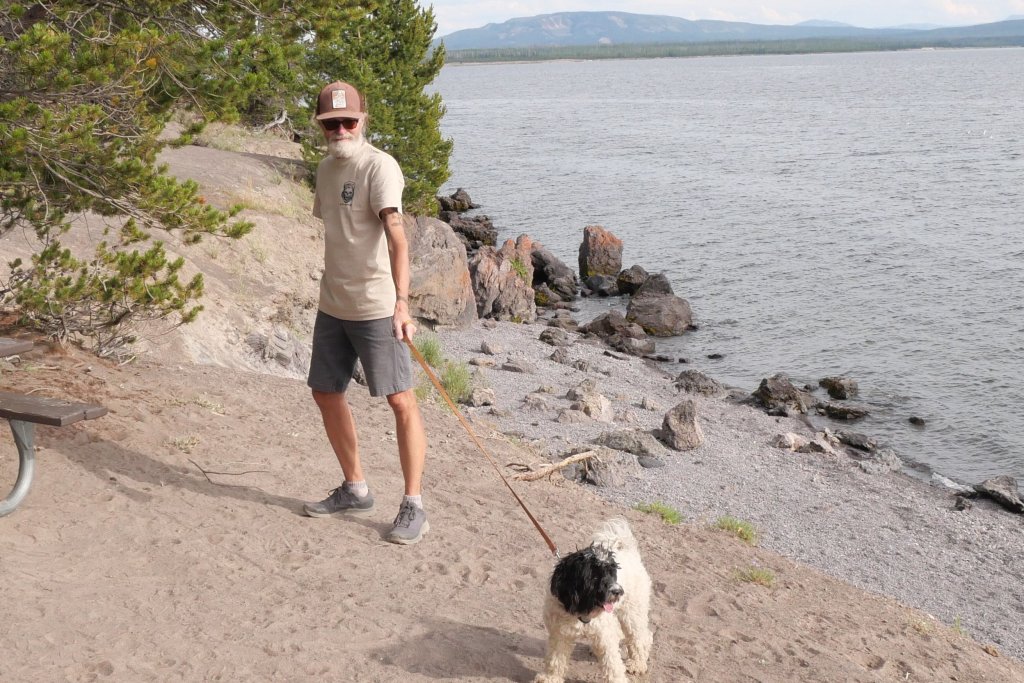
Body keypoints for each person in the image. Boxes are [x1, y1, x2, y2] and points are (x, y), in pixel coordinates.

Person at [302, 80, 428, 545]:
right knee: (324, 391)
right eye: (330, 123)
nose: (340, 129)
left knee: (400, 400)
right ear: (321, 127)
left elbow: (397, 238)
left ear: (362, 121)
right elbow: (337, 231)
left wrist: (401, 302)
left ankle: (414, 505)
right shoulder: (325, 169)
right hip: (333, 302)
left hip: (377, 307)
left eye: (347, 121)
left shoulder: (380, 167)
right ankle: (355, 488)